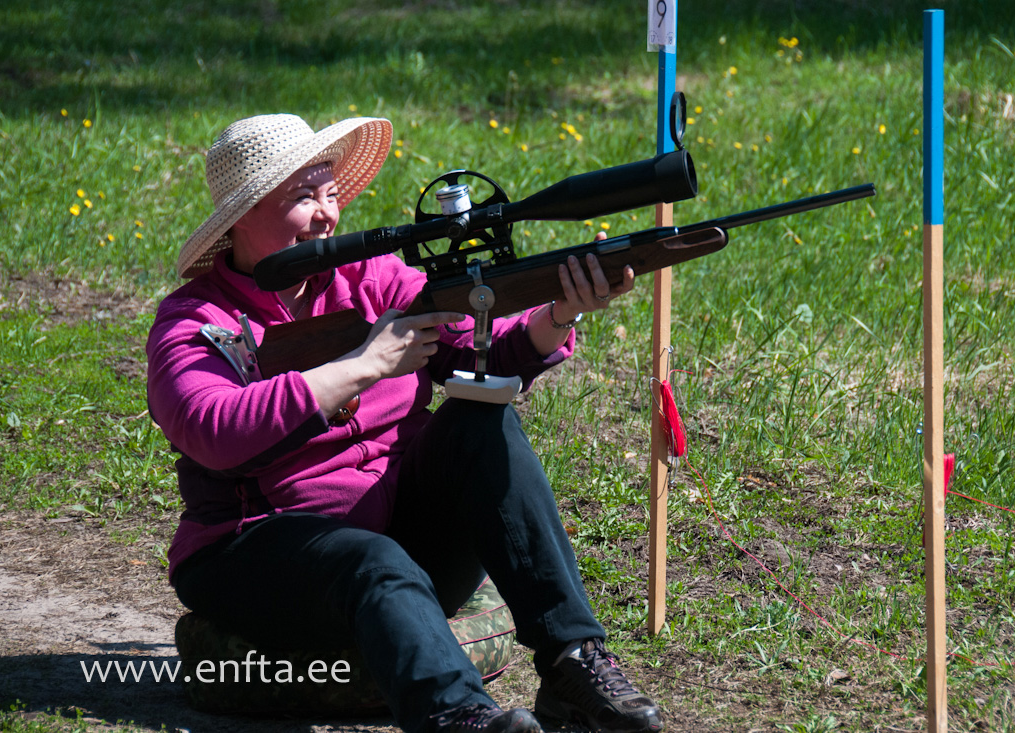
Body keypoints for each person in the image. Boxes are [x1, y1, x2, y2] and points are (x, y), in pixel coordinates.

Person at [146, 113, 665, 733]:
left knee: (482, 423)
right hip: (253, 551)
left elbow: (488, 349)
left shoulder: (373, 280)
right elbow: (212, 427)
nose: (325, 216)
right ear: (239, 217)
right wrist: (361, 366)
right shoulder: (195, 319)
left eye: (330, 194)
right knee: (373, 560)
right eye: (302, 198)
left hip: (398, 543)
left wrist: (558, 313)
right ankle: (457, 717)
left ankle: (572, 664)